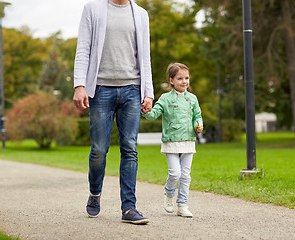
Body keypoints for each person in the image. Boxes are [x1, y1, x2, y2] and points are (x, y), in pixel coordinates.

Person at [73, 0, 154, 225]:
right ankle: (95, 192)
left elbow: (145, 55)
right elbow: (83, 49)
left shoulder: (140, 14)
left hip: (132, 89)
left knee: (130, 148)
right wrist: (80, 84)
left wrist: (148, 92)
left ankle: (129, 208)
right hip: (100, 89)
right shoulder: (93, 9)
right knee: (99, 149)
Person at [143, 63, 203, 218]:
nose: (184, 81)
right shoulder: (165, 98)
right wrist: (146, 111)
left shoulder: (192, 99)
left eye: (187, 78)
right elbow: (154, 113)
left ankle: (182, 205)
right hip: (171, 141)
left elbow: (198, 115)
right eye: (180, 78)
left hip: (188, 140)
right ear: (171, 80)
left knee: (185, 176)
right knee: (175, 173)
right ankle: (169, 194)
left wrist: (199, 125)